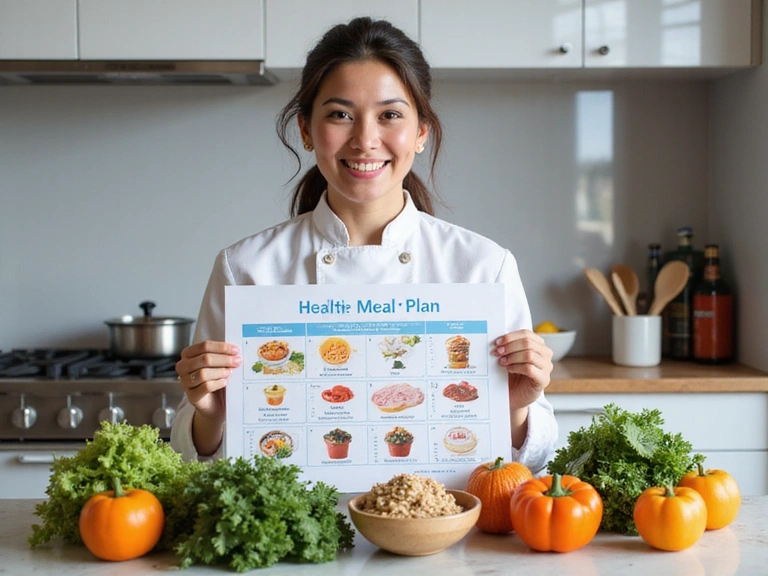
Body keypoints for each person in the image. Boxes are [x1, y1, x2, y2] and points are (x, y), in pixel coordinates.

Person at [171, 17, 557, 474]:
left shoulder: (483, 268)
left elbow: (530, 463)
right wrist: (212, 413)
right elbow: (190, 455)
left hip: (437, 537)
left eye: (390, 115)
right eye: (340, 114)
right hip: (297, 535)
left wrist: (512, 407)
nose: (365, 140)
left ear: (421, 131)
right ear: (307, 130)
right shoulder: (246, 268)